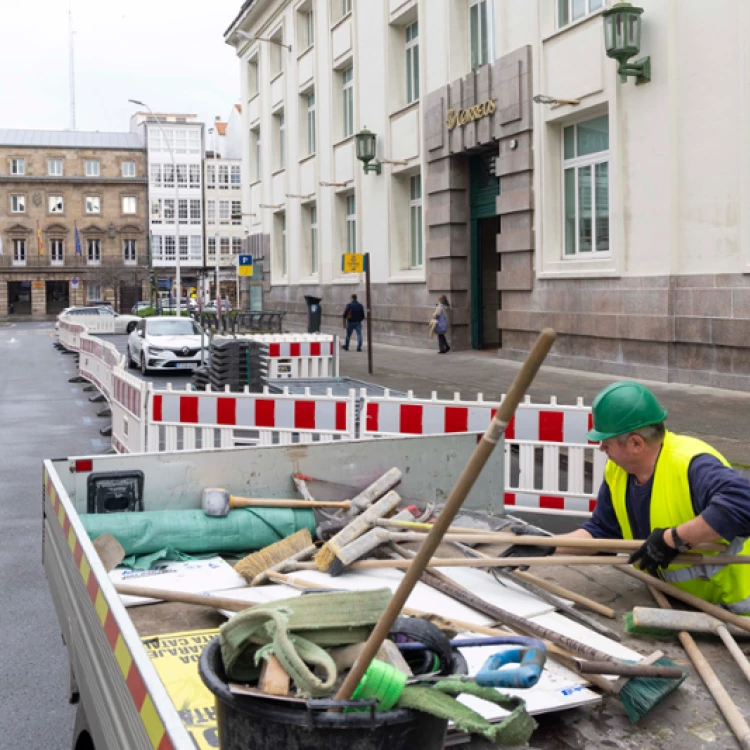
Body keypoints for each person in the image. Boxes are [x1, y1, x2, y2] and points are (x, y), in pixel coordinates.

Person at [502, 381, 750, 614]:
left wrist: (672, 539)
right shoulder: (618, 471)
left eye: (606, 442)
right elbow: (601, 533)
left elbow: (741, 503)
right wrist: (548, 545)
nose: (601, 449)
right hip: (686, 607)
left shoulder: (690, 464)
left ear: (635, 443)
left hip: (738, 610)